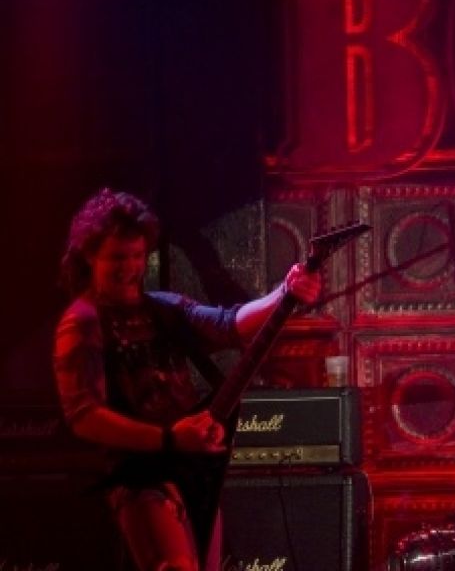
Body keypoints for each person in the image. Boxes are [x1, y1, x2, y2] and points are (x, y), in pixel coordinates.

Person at [52, 188, 321, 571]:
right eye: (117, 257)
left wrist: (286, 291)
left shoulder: (162, 308)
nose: (129, 268)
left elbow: (230, 324)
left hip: (189, 467)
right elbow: (84, 416)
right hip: (139, 476)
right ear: (89, 256)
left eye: (136, 256)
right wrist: (168, 438)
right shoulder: (82, 322)